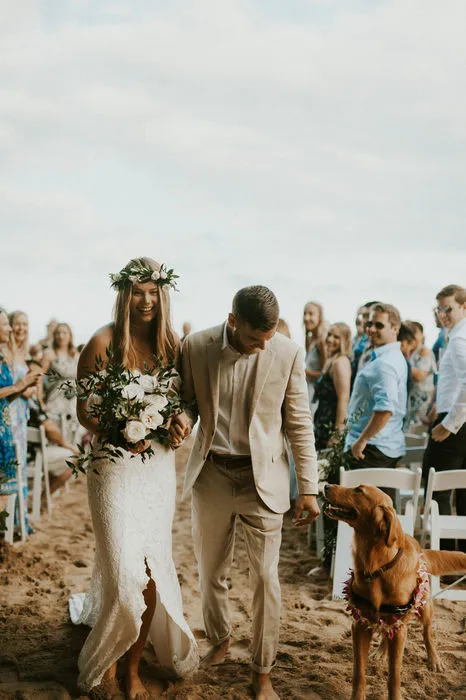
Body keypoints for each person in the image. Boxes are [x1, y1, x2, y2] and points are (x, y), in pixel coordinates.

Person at [174, 285, 320, 700]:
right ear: (233, 321)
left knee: (265, 577)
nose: (262, 346)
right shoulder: (196, 345)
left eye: (268, 339)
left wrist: (308, 488)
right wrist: (182, 420)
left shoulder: (287, 353)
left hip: (264, 481)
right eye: (256, 338)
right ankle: (219, 638)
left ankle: (262, 669)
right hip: (212, 475)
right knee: (211, 570)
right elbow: (186, 402)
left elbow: (298, 424)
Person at [69, 258, 198, 699]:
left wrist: (179, 422)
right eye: (138, 292)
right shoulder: (101, 342)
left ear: (163, 295)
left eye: (153, 292)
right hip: (111, 466)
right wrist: (120, 423)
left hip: (156, 469)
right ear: (125, 295)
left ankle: (132, 666)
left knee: (149, 570)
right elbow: (84, 410)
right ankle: (104, 661)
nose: (146, 300)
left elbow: (184, 405)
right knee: (122, 567)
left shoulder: (172, 345)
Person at [345, 303, 407, 503]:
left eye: (379, 325)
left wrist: (361, 441)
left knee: (361, 513)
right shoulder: (389, 356)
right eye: (369, 323)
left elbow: (385, 409)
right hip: (383, 446)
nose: (371, 329)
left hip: (371, 450)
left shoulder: (385, 364)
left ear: (395, 329)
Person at [422, 284, 466, 552]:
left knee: (436, 489)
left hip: (456, 423)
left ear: (464, 306)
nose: (442, 314)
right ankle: (458, 556)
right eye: (439, 308)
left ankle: (446, 555)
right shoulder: (455, 335)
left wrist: (448, 425)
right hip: (458, 420)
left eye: (448, 308)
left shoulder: (460, 340)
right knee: (461, 492)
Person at [0, 309, 41, 538]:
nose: (14, 329)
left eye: (24, 324)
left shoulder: (14, 355)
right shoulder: (4, 353)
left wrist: (27, 387)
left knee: (14, 476)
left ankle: (15, 524)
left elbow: (14, 391)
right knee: (6, 477)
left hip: (13, 419)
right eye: (9, 324)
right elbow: (11, 387)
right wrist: (19, 387)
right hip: (6, 420)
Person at [313, 323, 352, 451]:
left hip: (331, 427)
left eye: (336, 337)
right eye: (329, 334)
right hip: (322, 425)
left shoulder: (341, 362)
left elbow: (343, 399)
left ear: (344, 341)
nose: (330, 339)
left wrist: (337, 434)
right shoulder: (331, 359)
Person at [42, 323, 80, 439]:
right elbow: (39, 379)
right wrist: (41, 402)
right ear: (54, 336)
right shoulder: (49, 354)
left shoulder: (76, 355)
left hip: (73, 401)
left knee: (73, 436)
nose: (61, 336)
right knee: (57, 437)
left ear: (70, 336)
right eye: (58, 333)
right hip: (55, 400)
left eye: (64, 333)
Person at [404, 321, 436, 430]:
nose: (412, 335)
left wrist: (402, 364)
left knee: (416, 431)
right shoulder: (410, 351)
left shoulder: (424, 351)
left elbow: (419, 376)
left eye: (415, 332)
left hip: (422, 400)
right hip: (410, 398)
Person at [303, 301, 327, 413]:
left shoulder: (322, 342)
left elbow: (325, 374)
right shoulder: (309, 338)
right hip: (306, 391)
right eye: (305, 313)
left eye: (311, 314)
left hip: (316, 394)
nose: (307, 318)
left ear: (320, 317)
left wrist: (304, 372)